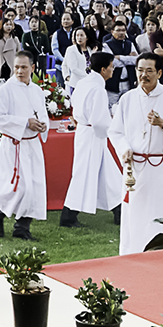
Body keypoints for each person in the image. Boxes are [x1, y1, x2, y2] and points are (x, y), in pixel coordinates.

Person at [112, 55, 163, 251]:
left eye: (149, 71)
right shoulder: (127, 99)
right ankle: (134, 251)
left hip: (160, 166)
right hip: (135, 167)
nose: (143, 75)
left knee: (160, 212)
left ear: (159, 73)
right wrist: (124, 148)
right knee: (135, 213)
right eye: (140, 70)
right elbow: (116, 132)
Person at [0, 52, 50, 241]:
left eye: (24, 67)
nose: (20, 71)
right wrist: (25, 123)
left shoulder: (37, 90)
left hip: (33, 144)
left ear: (32, 68)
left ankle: (22, 227)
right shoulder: (6, 90)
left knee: (34, 186)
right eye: (16, 67)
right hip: (14, 144)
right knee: (18, 186)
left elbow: (42, 113)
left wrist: (43, 125)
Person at [62, 52, 123, 227]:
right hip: (93, 134)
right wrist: (111, 127)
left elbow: (75, 104)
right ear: (103, 69)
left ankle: (119, 209)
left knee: (109, 172)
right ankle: (68, 215)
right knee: (84, 173)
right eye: (111, 66)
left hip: (86, 131)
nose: (113, 69)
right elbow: (98, 121)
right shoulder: (98, 89)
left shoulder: (84, 82)